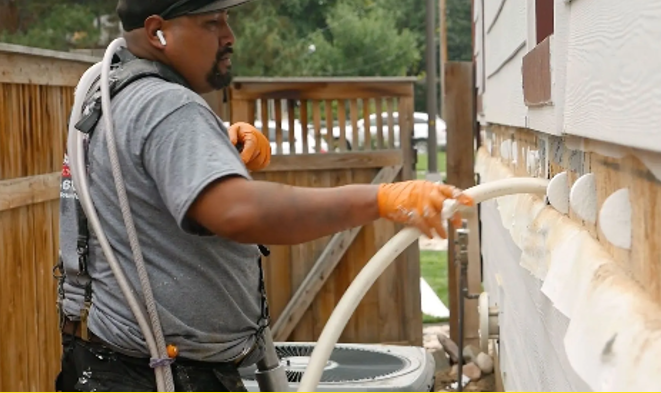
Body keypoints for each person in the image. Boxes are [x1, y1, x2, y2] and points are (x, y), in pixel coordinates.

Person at [54, 0, 474, 391]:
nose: (229, 35)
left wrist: (217, 139)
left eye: (227, 20)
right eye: (211, 22)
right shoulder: (166, 105)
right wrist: (379, 200)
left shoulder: (109, 90)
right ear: (158, 32)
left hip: (110, 362)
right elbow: (238, 213)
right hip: (162, 375)